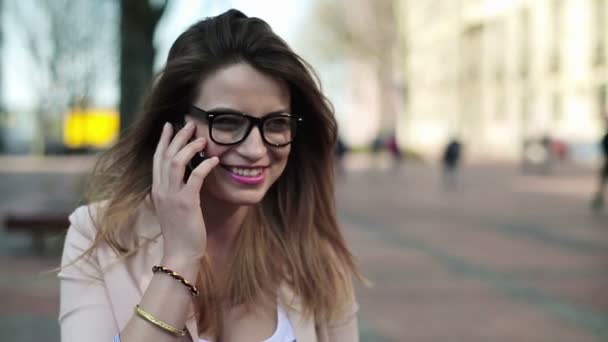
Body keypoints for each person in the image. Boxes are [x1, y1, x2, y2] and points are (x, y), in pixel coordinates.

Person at [58, 9, 361, 342]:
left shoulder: (316, 256)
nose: (256, 150)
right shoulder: (96, 237)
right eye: (228, 122)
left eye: (276, 123)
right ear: (173, 126)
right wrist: (180, 259)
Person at [591, 128, 608, 211]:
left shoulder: (605, 137)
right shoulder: (605, 137)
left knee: (602, 182)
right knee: (602, 182)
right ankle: (598, 198)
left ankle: (598, 198)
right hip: (606, 163)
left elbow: (603, 148)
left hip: (606, 162)